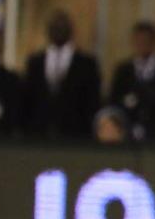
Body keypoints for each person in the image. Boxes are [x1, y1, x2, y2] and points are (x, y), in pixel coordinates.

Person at [22, 10, 101, 139]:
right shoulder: (35, 62)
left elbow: (93, 101)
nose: (58, 30)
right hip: (39, 134)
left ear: (71, 30)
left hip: (76, 134)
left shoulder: (86, 64)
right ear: (48, 30)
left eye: (62, 26)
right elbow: (28, 99)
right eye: (55, 26)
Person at [109, 20, 155, 141]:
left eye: (146, 41)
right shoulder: (123, 70)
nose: (141, 44)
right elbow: (115, 99)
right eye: (138, 40)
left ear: (154, 42)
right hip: (128, 132)